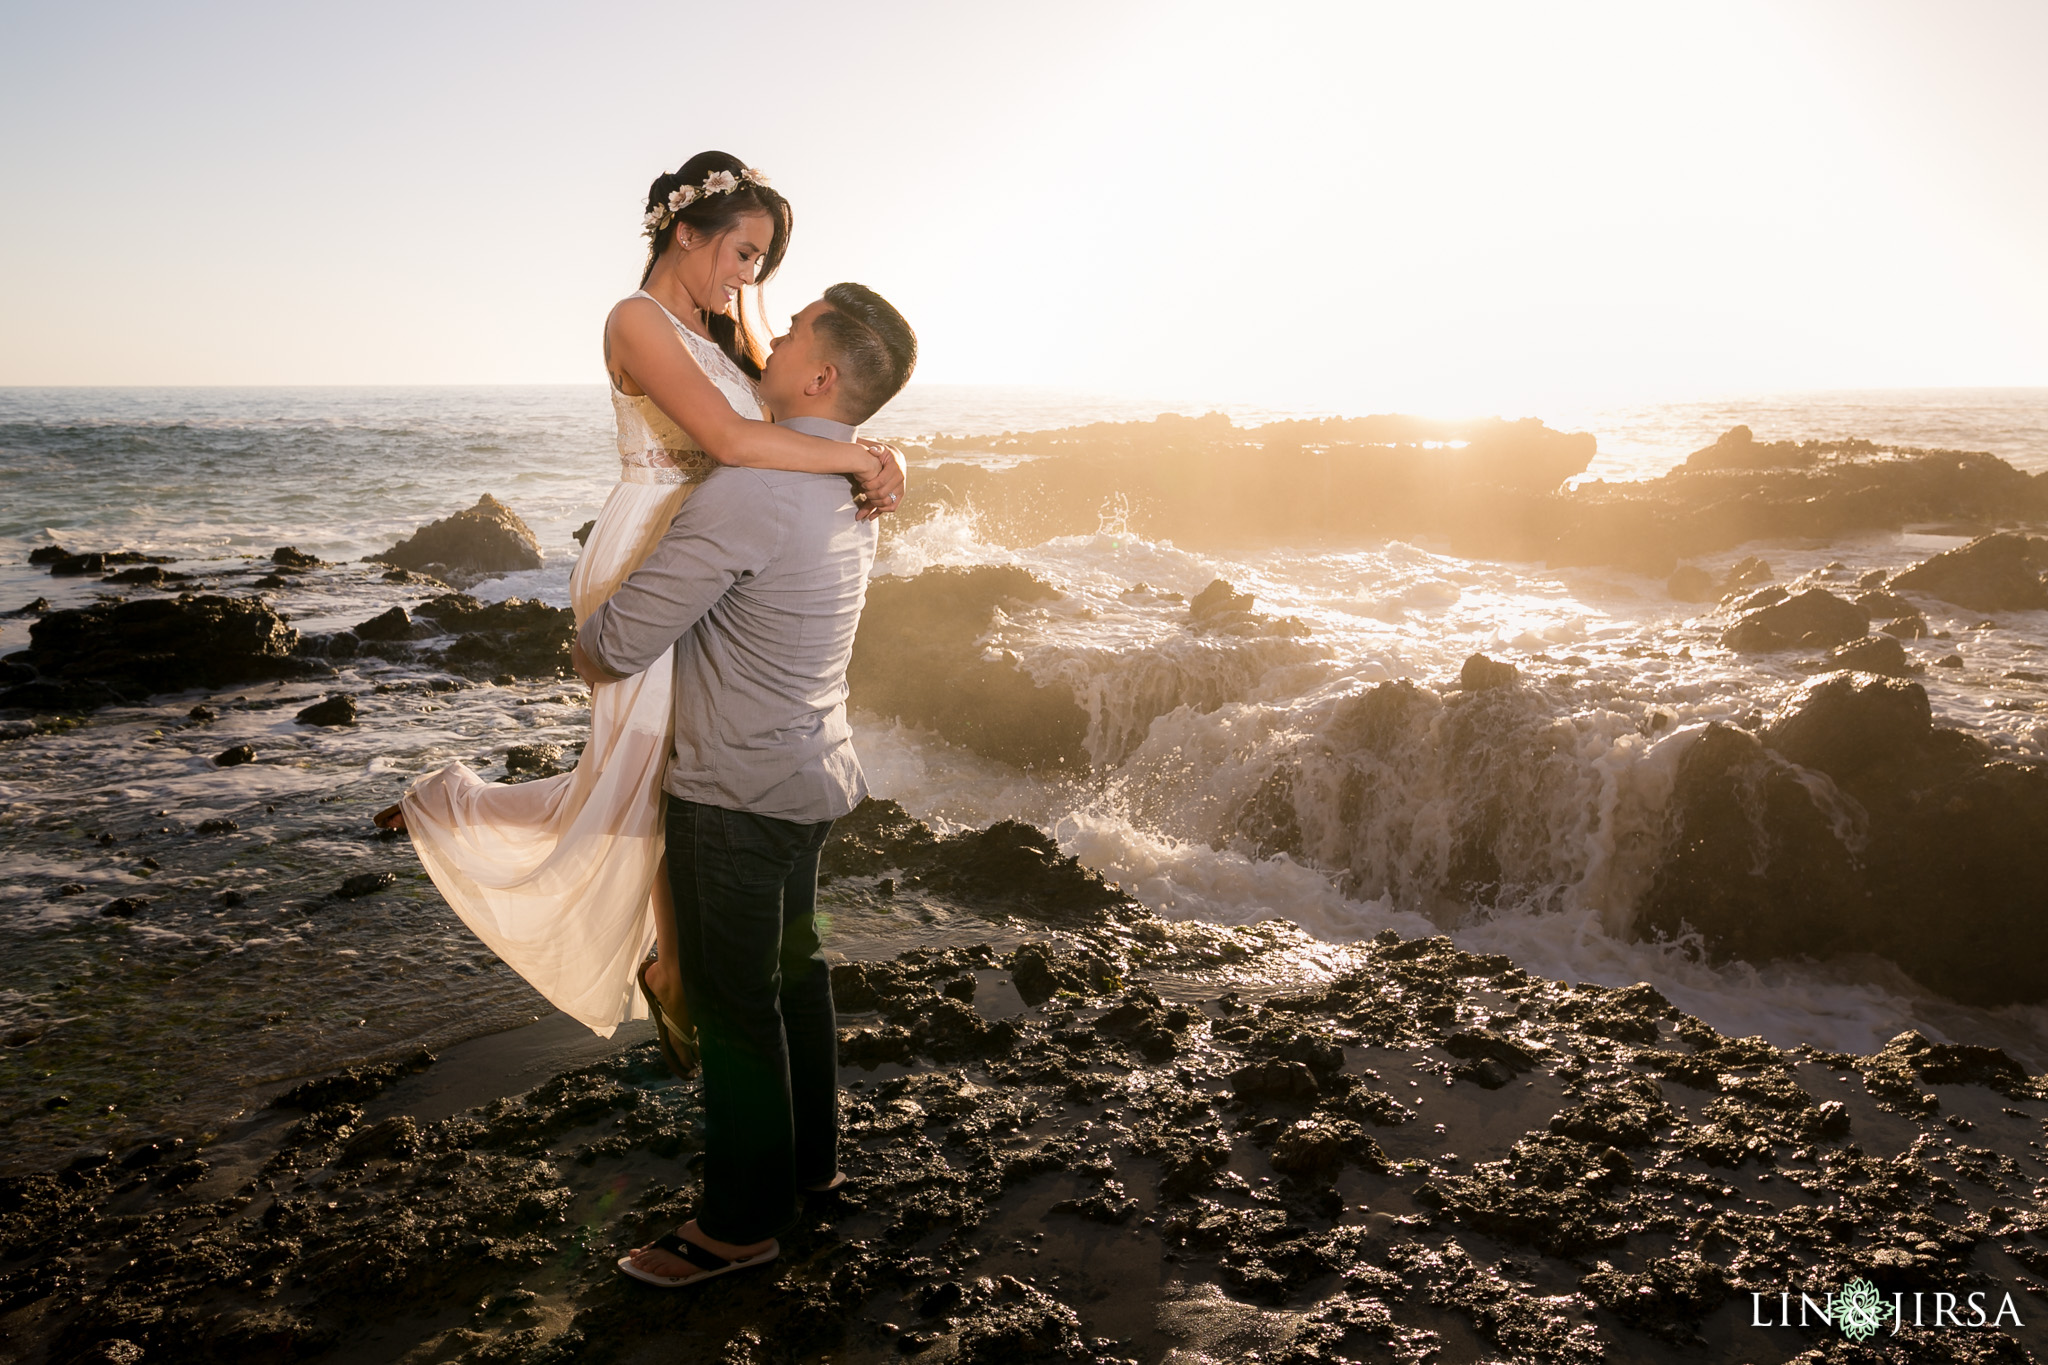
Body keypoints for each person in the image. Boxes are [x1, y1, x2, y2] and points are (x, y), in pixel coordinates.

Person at [375, 152, 904, 1072]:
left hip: (717, 557)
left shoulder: (729, 327)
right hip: (650, 552)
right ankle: (661, 958)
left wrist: (887, 453)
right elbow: (737, 439)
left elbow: (805, 413)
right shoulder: (637, 320)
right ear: (684, 232)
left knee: (657, 777)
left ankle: (666, 963)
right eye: (742, 252)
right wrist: (862, 462)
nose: (750, 277)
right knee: (650, 776)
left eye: (761, 260)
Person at [594, 280, 917, 1289]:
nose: (763, 340)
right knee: (797, 979)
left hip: (731, 792)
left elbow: (613, 644)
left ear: (820, 375)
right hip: (813, 771)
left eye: (788, 333)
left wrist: (611, 588)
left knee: (735, 1010)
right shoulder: (852, 482)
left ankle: (737, 1227)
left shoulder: (750, 489)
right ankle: (807, 1169)